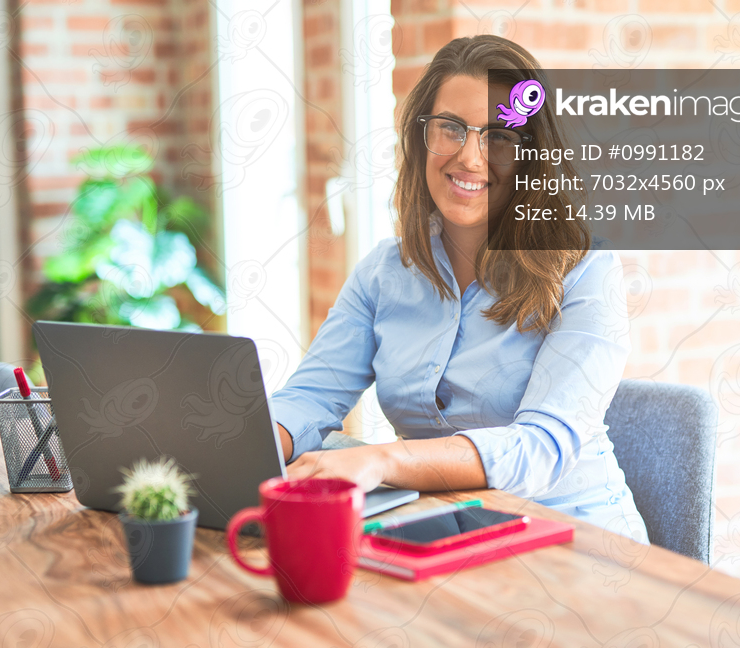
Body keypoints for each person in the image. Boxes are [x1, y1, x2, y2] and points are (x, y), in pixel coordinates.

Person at [269, 34, 650, 544]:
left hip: (579, 540)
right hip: (445, 535)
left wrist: (383, 459)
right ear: (421, 137)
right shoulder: (385, 272)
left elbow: (538, 447)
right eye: (451, 128)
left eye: (498, 137)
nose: (469, 157)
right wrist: (241, 444)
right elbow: (308, 400)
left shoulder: (584, 268)